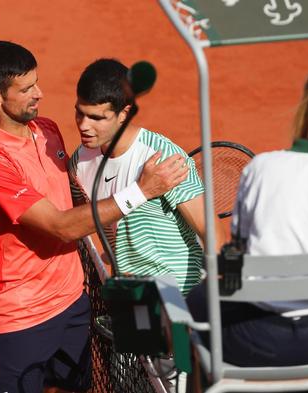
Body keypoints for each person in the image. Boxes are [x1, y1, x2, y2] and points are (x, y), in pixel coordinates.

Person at [0, 41, 189, 393]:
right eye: (26, 90)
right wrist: (142, 191)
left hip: (72, 303)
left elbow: (72, 198)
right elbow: (61, 226)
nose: (38, 94)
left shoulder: (47, 130)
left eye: (36, 82)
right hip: (20, 315)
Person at [187, 67, 308, 368]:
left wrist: (222, 291)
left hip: (252, 343)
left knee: (197, 299)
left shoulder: (261, 167)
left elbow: (236, 255)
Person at [68, 58, 225, 296]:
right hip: (130, 294)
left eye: (97, 118)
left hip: (181, 296)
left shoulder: (162, 156)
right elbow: (89, 222)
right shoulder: (79, 162)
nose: (84, 126)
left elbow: (212, 233)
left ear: (124, 114)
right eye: (80, 113)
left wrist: (211, 300)